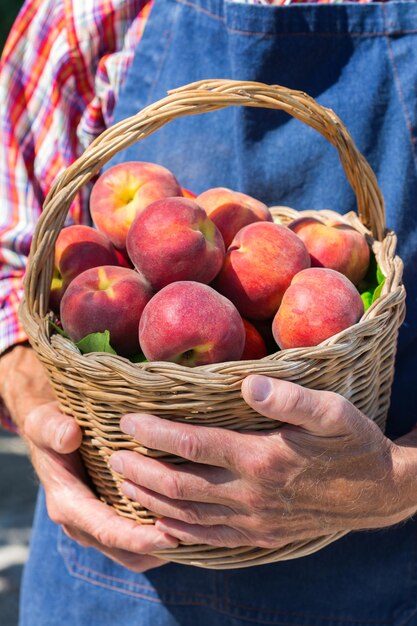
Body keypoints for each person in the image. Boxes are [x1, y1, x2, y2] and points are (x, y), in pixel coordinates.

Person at [1, 0, 417, 624]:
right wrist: (42, 413)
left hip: (379, 583)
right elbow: (12, 267)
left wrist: (397, 480)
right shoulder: (90, 12)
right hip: (114, 578)